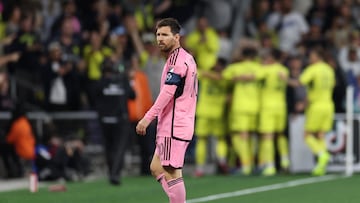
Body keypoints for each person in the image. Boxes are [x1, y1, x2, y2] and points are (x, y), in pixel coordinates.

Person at [136, 18, 198, 203]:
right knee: (156, 167)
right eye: (158, 35)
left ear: (176, 37)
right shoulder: (186, 57)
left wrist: (147, 118)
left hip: (174, 126)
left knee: (172, 173)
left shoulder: (176, 62)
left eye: (165, 35)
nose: (160, 39)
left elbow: (167, 94)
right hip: (178, 123)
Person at [288, 47, 335, 176]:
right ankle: (321, 165)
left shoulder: (313, 69)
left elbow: (299, 83)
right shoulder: (329, 69)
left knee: (307, 135)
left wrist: (284, 79)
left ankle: (322, 154)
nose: (309, 59)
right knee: (320, 134)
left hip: (316, 106)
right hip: (329, 105)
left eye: (311, 56)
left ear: (316, 57)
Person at [95, 58, 135, 185]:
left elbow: (94, 99)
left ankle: (112, 172)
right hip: (120, 120)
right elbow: (133, 96)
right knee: (119, 148)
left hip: (105, 120)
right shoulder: (122, 81)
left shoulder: (100, 83)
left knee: (109, 147)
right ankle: (115, 173)